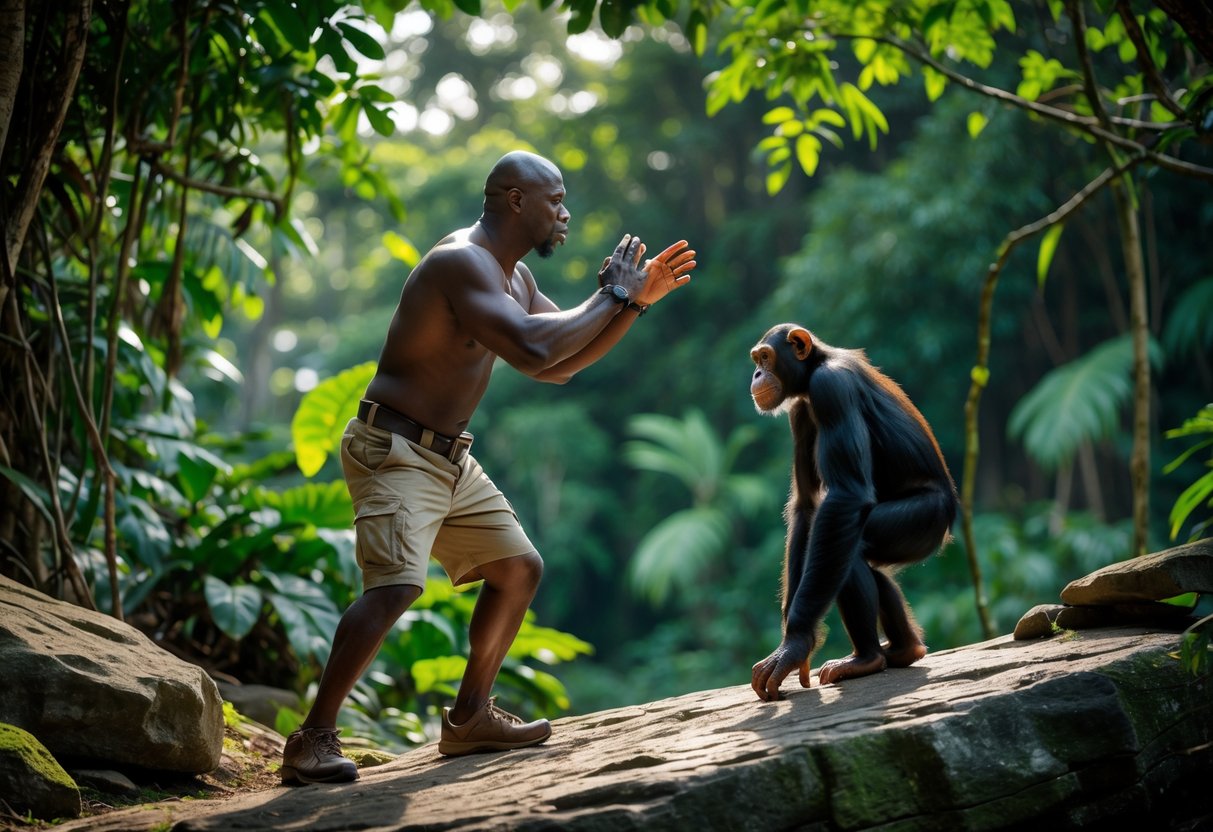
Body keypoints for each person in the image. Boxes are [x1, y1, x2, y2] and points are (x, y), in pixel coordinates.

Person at [280, 150, 697, 784]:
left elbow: (560, 365)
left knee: (518, 570)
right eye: (555, 201)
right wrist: (611, 293)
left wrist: (632, 303)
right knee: (395, 587)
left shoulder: (516, 278)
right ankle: (311, 739)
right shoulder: (461, 262)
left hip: (448, 457)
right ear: (516, 200)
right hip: (395, 449)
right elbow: (532, 348)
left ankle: (470, 718)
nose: (565, 214)